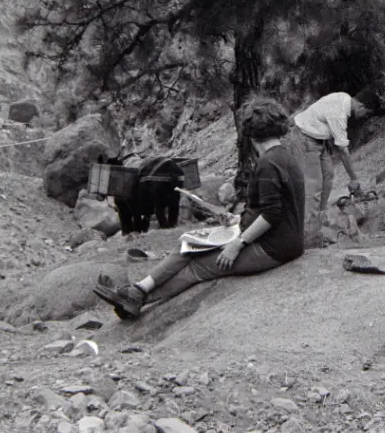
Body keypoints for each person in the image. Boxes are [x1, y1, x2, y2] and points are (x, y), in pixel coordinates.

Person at [93, 98, 305, 320]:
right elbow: (271, 207)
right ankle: (137, 289)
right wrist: (234, 219)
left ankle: (138, 299)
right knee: (189, 245)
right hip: (278, 239)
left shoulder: (267, 164)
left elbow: (272, 213)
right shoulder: (284, 156)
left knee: (198, 267)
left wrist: (237, 244)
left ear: (250, 134)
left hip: (273, 246)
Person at [288, 89, 381, 246]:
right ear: (361, 106)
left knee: (328, 176)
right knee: (313, 187)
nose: (365, 117)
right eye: (366, 113)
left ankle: (318, 224)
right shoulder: (339, 113)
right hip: (304, 137)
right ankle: (308, 238)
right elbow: (343, 151)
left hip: (318, 138)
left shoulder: (345, 99)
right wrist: (354, 179)